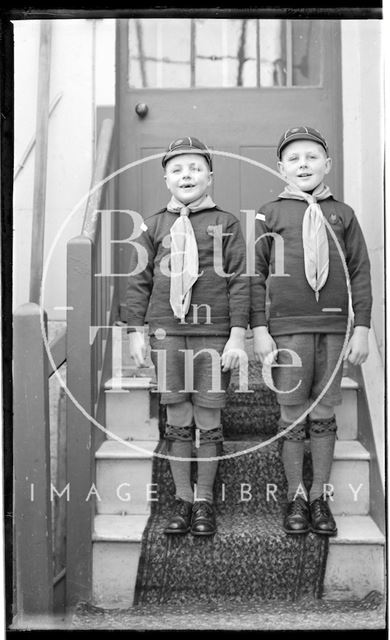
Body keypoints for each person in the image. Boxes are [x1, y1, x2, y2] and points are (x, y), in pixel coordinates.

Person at [250, 126, 372, 536]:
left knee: (322, 412)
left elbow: (360, 272)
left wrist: (363, 328)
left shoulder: (344, 214)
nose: (303, 164)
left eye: (312, 156)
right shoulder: (270, 214)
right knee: (291, 414)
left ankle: (319, 496)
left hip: (334, 330)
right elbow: (255, 275)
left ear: (327, 164)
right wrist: (259, 329)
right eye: (294, 158)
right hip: (287, 331)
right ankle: (295, 496)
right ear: (281, 168)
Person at [126, 136, 249, 536]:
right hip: (168, 333)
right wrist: (135, 331)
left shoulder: (226, 222)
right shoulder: (154, 224)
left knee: (208, 413)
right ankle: (182, 496)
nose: (187, 175)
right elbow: (139, 281)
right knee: (178, 414)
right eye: (177, 169)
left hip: (213, 334)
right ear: (166, 179)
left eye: (195, 168)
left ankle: (205, 501)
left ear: (210, 177)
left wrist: (236, 337)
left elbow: (240, 282)